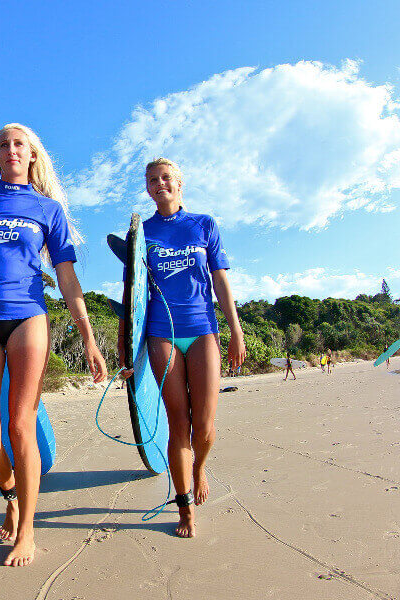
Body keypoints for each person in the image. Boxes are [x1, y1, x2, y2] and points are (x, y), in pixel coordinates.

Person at [0, 124, 107, 567]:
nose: (10, 150)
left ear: (32, 155)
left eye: (17, 143)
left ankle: (27, 531)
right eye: (2, 144)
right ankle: (11, 494)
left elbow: (65, 277)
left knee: (20, 427)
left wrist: (88, 337)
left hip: (28, 316)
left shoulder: (49, 209)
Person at [122, 158, 245, 538]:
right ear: (147, 188)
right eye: (152, 180)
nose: (160, 184)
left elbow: (220, 281)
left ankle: (199, 467)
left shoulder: (203, 225)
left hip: (203, 329)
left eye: (166, 178)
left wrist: (235, 330)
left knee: (204, 426)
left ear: (179, 184)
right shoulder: (142, 234)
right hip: (161, 334)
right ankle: (184, 505)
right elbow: (132, 294)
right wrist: (127, 352)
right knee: (179, 422)